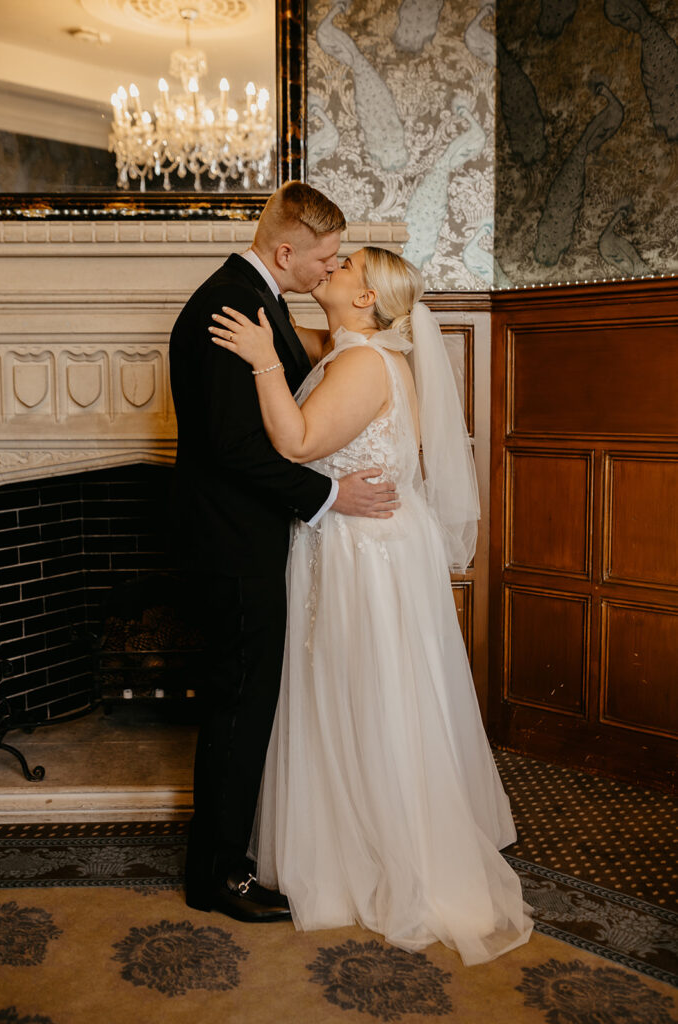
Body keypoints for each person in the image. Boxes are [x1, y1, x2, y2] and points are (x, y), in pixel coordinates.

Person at [208, 245, 534, 964]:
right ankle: (358, 840)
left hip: (364, 554)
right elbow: (319, 350)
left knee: (363, 693)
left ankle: (380, 854)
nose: (334, 266)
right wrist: (282, 333)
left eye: (347, 265)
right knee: (362, 693)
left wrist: (264, 358)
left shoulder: (362, 363)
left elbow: (294, 442)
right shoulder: (354, 349)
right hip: (363, 544)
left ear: (366, 300)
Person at [169, 184, 400, 924]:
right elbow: (236, 446)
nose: (329, 269)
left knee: (250, 701)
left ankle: (227, 857)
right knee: (239, 706)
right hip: (233, 544)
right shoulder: (227, 306)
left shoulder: (260, 299)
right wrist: (331, 498)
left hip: (253, 536)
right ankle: (217, 875)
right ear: (284, 252)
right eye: (325, 258)